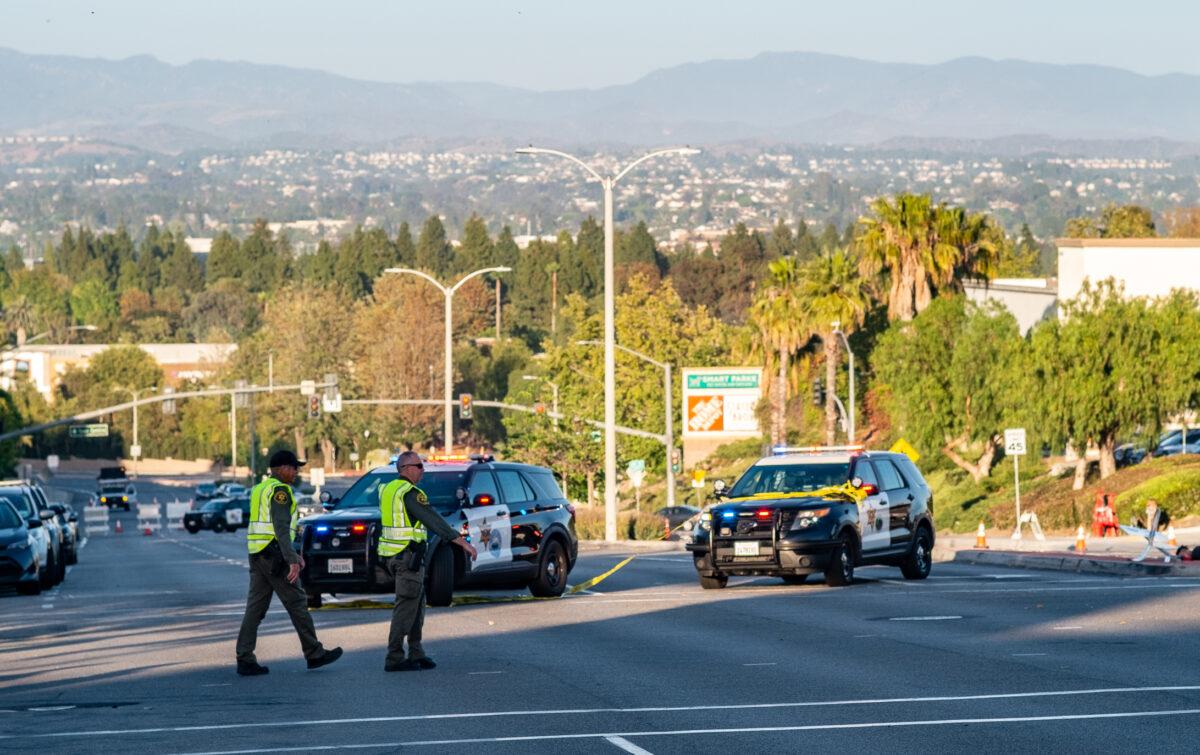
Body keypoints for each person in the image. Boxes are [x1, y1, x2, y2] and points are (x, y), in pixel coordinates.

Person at [235, 449, 342, 676]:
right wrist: (291, 558)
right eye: (293, 467)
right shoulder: (280, 491)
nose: (296, 472)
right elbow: (281, 528)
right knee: (297, 602)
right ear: (282, 468)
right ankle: (314, 653)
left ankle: (244, 657)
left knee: (255, 608)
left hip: (257, 553)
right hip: (275, 555)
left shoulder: (259, 489)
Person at [379, 451, 477, 672]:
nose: (423, 471)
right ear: (407, 468)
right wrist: (462, 542)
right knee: (406, 607)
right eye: (420, 466)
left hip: (398, 555)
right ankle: (394, 657)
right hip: (406, 557)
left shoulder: (389, 489)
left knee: (416, 605)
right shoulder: (410, 492)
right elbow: (432, 519)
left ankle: (416, 652)